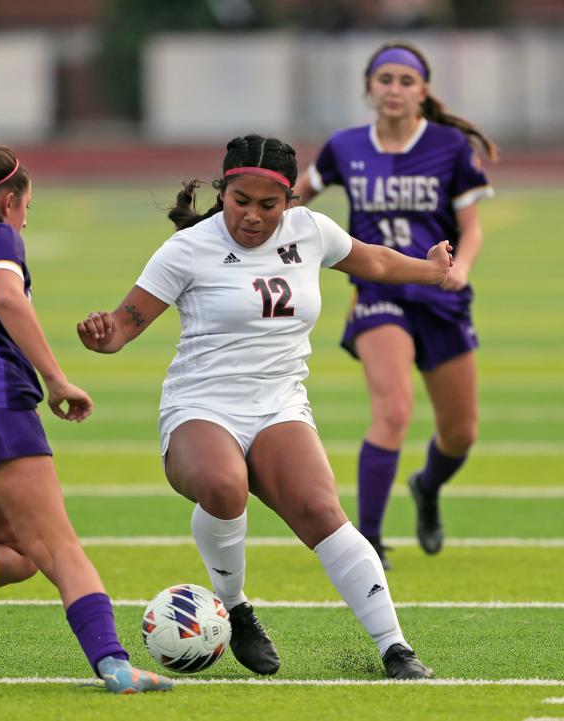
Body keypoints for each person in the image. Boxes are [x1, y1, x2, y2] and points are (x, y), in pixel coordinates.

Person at [76, 134, 450, 679]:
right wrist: (101, 335)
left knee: (325, 514)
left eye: (267, 205)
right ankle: (236, 607)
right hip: (200, 406)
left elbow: (374, 262)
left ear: (291, 201)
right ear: (223, 191)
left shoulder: (312, 231)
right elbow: (123, 328)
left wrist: (430, 269)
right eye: (240, 201)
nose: (252, 216)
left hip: (279, 406)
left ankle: (395, 648)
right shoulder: (188, 248)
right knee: (225, 485)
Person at [0, 133, 173, 694]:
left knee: (20, 549)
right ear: (11, 201)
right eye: (27, 209)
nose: (25, 222)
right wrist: (56, 379)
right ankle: (115, 664)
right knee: (59, 545)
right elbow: (6, 297)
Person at [292, 41, 496, 568]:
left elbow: (470, 229)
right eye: (385, 80)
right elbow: (293, 199)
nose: (394, 90)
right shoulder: (345, 146)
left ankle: (427, 487)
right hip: (377, 292)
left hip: (440, 295)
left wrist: (463, 268)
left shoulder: (450, 147)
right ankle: (371, 544)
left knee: (460, 432)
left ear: (423, 91)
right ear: (368, 87)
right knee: (393, 410)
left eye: (406, 81)